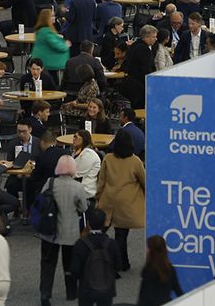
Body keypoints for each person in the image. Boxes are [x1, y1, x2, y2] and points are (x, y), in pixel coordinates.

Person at [39, 154, 91, 306]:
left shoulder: (50, 183)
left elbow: (41, 201)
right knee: (70, 264)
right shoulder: (78, 187)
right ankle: (71, 292)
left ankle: (45, 295)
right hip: (70, 232)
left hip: (50, 231)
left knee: (48, 264)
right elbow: (83, 208)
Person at [94, 130, 145, 271]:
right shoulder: (135, 161)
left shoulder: (108, 158)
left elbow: (101, 181)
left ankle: (97, 259)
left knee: (100, 231)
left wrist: (98, 197)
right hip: (126, 203)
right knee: (121, 235)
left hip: (108, 200)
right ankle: (122, 262)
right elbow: (144, 181)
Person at [72, 207, 121, 306]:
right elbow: (118, 265)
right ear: (103, 223)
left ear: (88, 223)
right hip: (106, 287)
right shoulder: (111, 244)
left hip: (86, 288)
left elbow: (75, 269)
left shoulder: (81, 244)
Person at [137, 235, 184, 306]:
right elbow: (178, 290)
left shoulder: (148, 270)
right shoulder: (170, 269)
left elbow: (144, 296)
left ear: (151, 250)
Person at [33, 7, 70, 85]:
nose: (54, 18)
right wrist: (66, 45)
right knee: (53, 82)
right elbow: (56, 45)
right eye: (52, 16)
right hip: (48, 62)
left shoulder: (41, 30)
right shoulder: (47, 31)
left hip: (43, 60)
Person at [73, 129, 102, 199]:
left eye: (76, 137)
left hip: (87, 192)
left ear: (83, 139)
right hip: (78, 187)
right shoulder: (77, 152)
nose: (73, 139)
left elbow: (78, 173)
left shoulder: (89, 154)